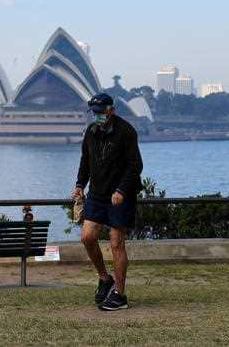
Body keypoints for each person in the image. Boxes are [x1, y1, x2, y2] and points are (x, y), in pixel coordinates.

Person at [72, 93, 143, 311]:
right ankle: (105, 278)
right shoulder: (91, 132)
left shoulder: (126, 131)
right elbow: (86, 159)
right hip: (97, 195)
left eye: (101, 112)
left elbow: (135, 166)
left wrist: (121, 190)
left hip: (121, 197)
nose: (98, 116)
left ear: (111, 110)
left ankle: (120, 295)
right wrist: (79, 185)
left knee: (116, 243)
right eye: (95, 112)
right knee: (87, 237)